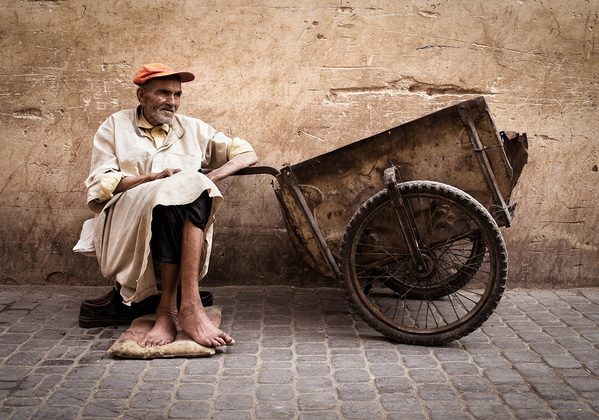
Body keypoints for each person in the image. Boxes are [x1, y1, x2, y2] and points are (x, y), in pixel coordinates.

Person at [84, 63, 258, 348]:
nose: (173, 102)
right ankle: (185, 308)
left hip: (178, 213)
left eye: (177, 94)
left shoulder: (193, 128)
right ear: (142, 96)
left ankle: (174, 310)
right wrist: (151, 178)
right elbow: (99, 185)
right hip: (128, 215)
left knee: (189, 188)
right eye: (164, 93)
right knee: (177, 188)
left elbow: (246, 153)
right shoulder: (115, 125)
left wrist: (208, 179)